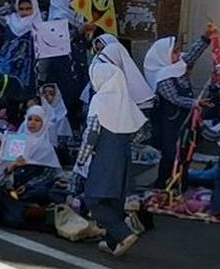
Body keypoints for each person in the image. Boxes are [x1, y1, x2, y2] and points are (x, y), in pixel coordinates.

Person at [74, 55, 145, 257]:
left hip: (104, 156)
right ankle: (112, 242)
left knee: (95, 198)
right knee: (114, 199)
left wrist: (81, 159)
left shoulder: (100, 100)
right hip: (123, 154)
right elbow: (141, 130)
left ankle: (124, 234)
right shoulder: (125, 100)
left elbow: (91, 134)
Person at [143, 36, 198, 187]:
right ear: (164, 55)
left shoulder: (177, 67)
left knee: (185, 153)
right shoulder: (163, 76)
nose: (179, 55)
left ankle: (180, 184)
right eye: (175, 52)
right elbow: (175, 98)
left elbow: (192, 55)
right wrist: (196, 103)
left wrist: (206, 39)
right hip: (170, 123)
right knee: (171, 155)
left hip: (184, 120)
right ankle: (163, 186)